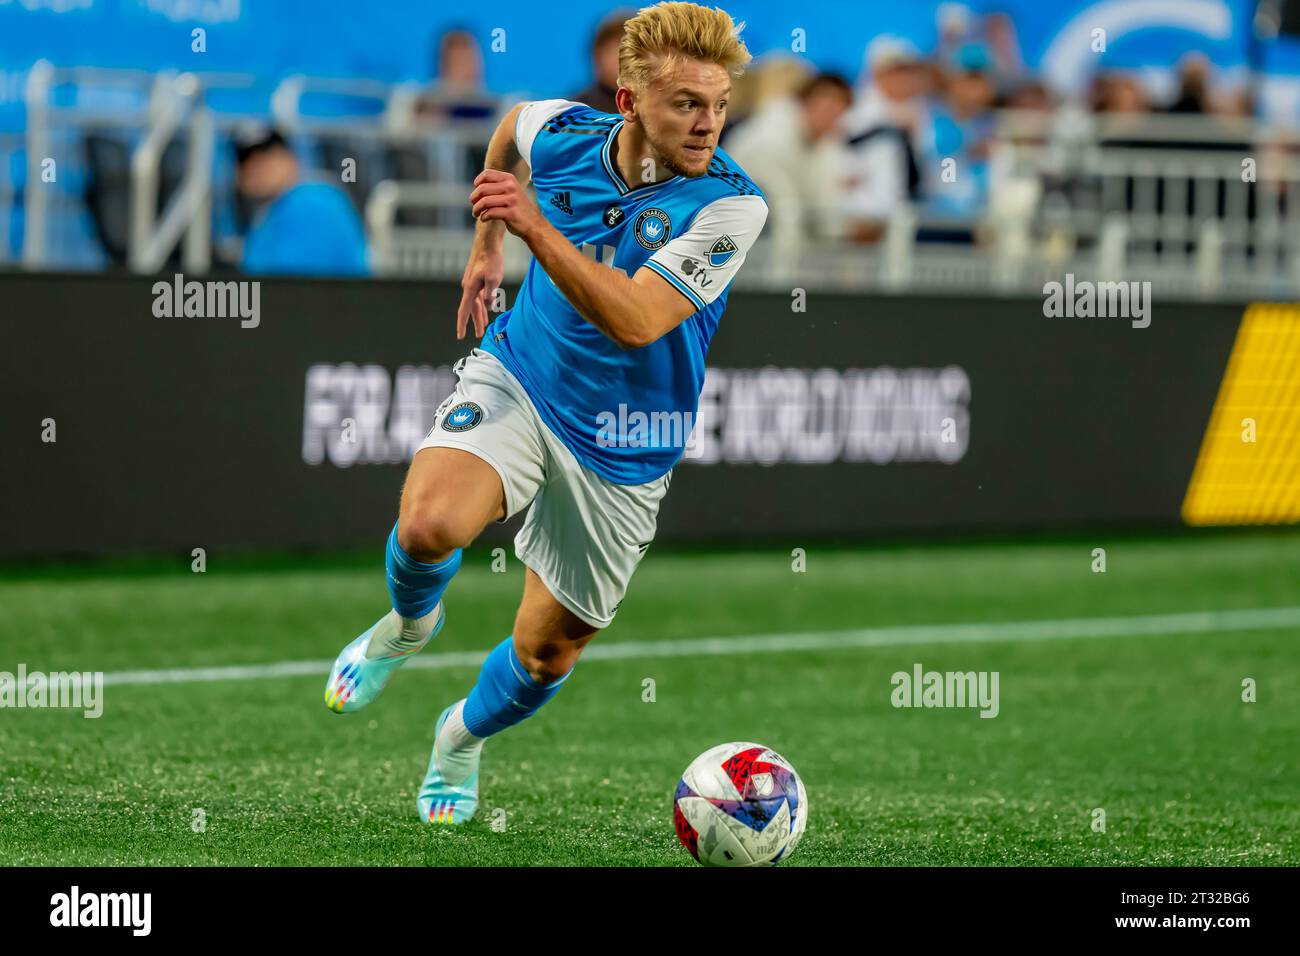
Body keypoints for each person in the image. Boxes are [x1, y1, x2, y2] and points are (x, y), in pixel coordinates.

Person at [322, 1, 768, 826]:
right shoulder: (564, 134)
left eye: (719, 105)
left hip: (627, 444)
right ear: (631, 103)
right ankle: (406, 625)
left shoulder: (732, 207)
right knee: (428, 527)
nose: (709, 124)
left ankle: (457, 737)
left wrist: (528, 228)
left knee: (544, 654)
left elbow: (635, 319)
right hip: (523, 375)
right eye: (686, 105)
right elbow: (510, 130)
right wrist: (488, 245)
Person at [724, 72, 852, 262]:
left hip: (763, 238)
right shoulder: (770, 139)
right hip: (730, 236)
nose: (830, 115)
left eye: (837, 109)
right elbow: (787, 213)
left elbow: (824, 210)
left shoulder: (827, 145)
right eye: (825, 106)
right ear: (805, 103)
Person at [234, 127, 369, 277]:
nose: (258, 165)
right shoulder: (272, 211)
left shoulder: (312, 201)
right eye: (248, 161)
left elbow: (294, 284)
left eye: (267, 154)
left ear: (291, 158)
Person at [570, 11, 633, 114]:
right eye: (616, 50)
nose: (625, 61)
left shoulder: (654, 106)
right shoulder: (577, 110)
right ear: (597, 56)